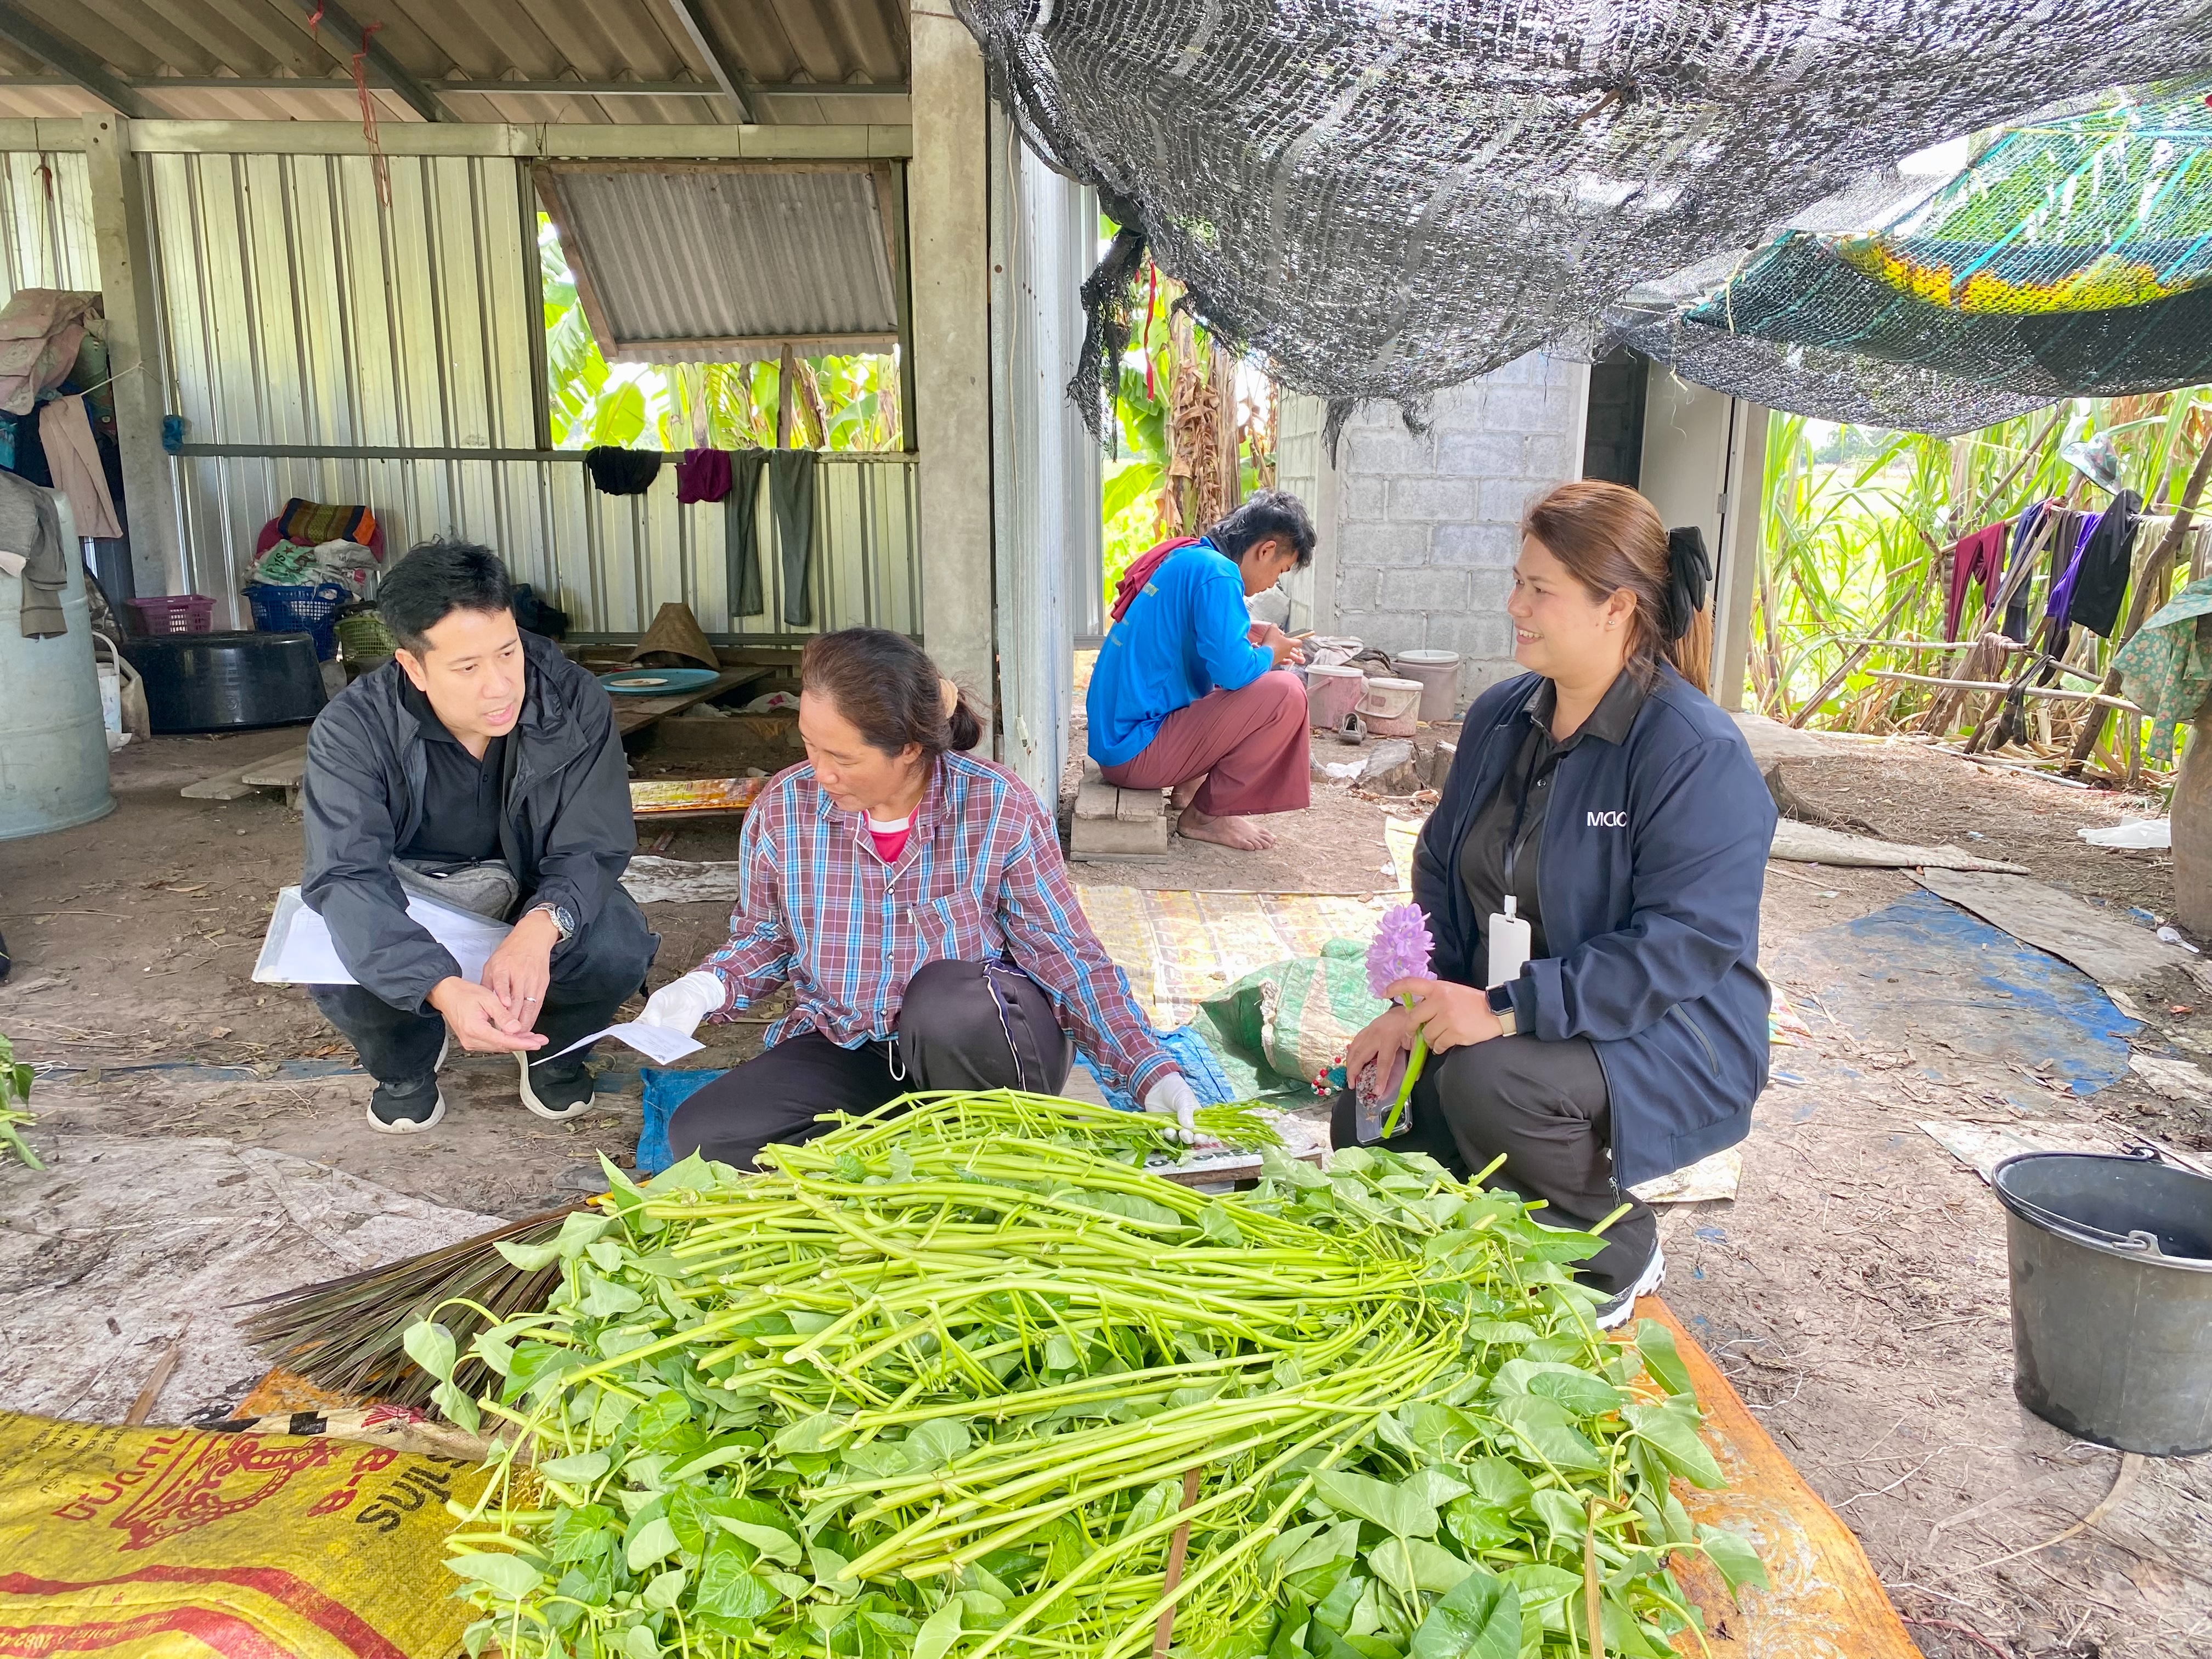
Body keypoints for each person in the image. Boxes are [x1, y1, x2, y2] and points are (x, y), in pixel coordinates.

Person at [1338, 481, 1775, 1327]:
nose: (1515, 605)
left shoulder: (1693, 751)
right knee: (1368, 1122)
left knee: (1492, 1081)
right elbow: (1440, 866)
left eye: (1540, 589)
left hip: (1671, 1026)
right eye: (1519, 580)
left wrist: (1502, 1011)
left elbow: (1683, 944)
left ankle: (1615, 1248)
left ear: (1616, 608)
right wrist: (1418, 1003)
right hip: (1530, 1010)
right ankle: (1499, 1214)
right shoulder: (1505, 716)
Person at [641, 627, 1201, 1168]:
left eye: (844, 757)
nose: (821, 772)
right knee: (702, 1134)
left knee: (941, 1000)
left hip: (979, 1043)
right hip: (850, 1044)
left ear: (909, 748)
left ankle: (979, 1137)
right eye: (809, 745)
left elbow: (1067, 956)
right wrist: (706, 987)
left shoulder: (996, 806)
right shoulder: (783, 809)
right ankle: (914, 1153)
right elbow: (767, 938)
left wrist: (1148, 1069)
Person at [302, 539, 655, 1133]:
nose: (499, 687)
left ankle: (553, 1047)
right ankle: (407, 1063)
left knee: (615, 940)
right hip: (412, 892)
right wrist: (438, 986)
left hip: (529, 882)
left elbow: (591, 843)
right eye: (467, 668)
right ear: (412, 666)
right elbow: (347, 875)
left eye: (508, 653)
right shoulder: (351, 730)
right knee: (337, 948)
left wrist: (540, 928)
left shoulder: (572, 698)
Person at [1086, 491, 1316, 851]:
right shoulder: (1220, 576)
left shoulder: (1191, 557)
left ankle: (1190, 786)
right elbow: (1234, 674)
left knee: (1244, 685)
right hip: (1134, 752)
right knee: (1286, 694)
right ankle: (1205, 816)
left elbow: (1188, 637)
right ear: (1266, 550)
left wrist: (1250, 632)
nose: (1274, 582)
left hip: (1118, 740)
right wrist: (1271, 652)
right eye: (1281, 570)